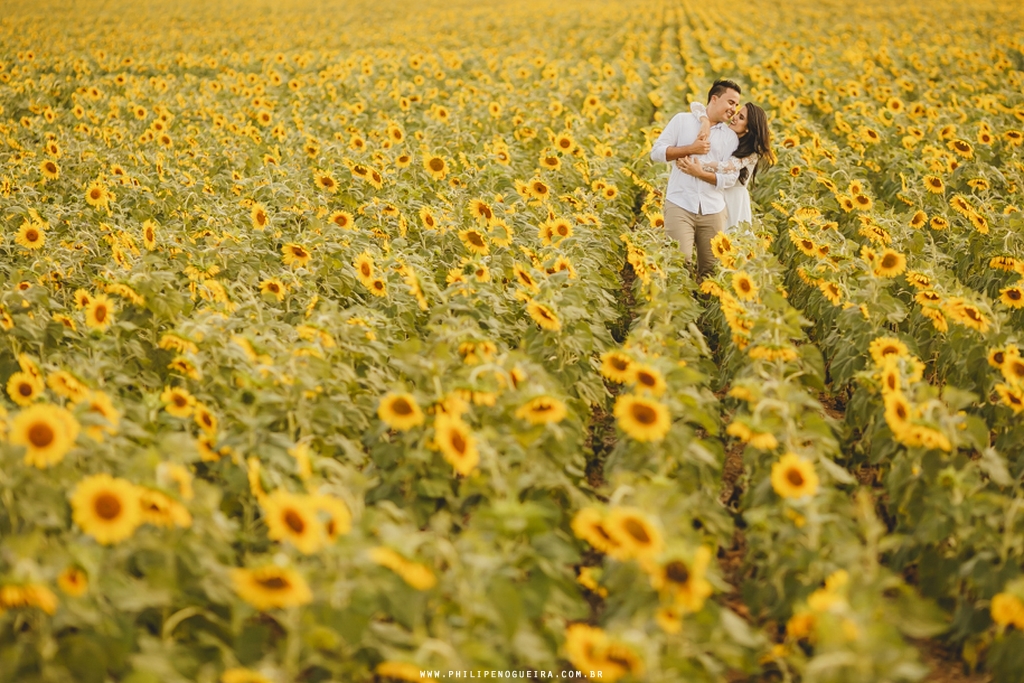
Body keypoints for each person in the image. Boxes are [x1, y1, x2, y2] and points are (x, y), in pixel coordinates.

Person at [649, 79, 741, 279]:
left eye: (736, 105)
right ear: (714, 99)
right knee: (679, 265)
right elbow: (656, 153)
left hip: (713, 209)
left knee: (712, 271)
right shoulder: (682, 121)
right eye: (731, 102)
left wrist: (700, 173)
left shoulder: (730, 137)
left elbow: (731, 178)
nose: (734, 108)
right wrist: (691, 149)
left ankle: (705, 308)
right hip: (680, 203)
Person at [676, 101, 775, 232]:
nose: (734, 117)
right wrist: (705, 121)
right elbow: (696, 106)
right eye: (738, 113)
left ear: (748, 128)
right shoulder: (725, 136)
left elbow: (728, 167)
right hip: (715, 195)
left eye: (741, 118)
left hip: (734, 201)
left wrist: (696, 164)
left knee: (731, 241)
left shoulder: (752, 152)